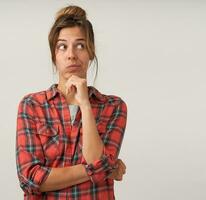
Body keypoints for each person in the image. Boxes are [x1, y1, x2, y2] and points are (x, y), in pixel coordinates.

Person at [15, 5, 127, 199]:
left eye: (80, 45)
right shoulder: (32, 106)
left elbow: (95, 159)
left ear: (91, 53)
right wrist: (103, 168)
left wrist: (84, 104)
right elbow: (30, 179)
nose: (71, 54)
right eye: (62, 46)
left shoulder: (114, 107)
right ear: (54, 56)